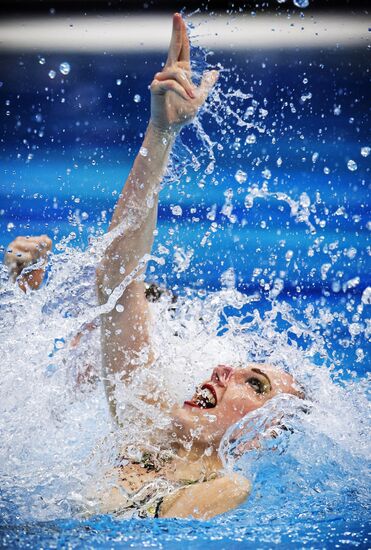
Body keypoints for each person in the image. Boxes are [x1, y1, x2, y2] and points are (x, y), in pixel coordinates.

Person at [3, 14, 304, 519]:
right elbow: (119, 278)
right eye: (239, 369)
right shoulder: (146, 421)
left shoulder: (227, 490)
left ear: (264, 436)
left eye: (255, 385)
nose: (225, 370)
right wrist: (161, 131)